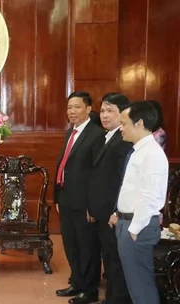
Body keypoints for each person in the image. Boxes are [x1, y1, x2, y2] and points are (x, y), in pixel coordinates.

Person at [109, 101, 168, 304]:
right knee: (134, 284)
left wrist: (133, 229)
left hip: (138, 227)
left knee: (141, 286)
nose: (121, 128)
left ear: (139, 123)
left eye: (124, 123)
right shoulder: (139, 150)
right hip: (128, 223)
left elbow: (149, 196)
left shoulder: (152, 153)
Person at [54, 91, 104, 304]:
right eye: (69, 107)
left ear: (89, 109)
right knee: (71, 244)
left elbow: (97, 174)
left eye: (77, 107)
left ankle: (89, 290)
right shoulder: (71, 132)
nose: (72, 111)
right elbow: (64, 166)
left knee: (88, 247)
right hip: (66, 198)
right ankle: (77, 282)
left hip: (84, 202)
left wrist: (92, 205)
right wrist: (57, 196)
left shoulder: (96, 135)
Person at [88, 93, 132, 304]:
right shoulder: (107, 137)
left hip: (113, 212)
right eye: (103, 111)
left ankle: (117, 299)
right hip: (101, 210)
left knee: (115, 261)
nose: (104, 116)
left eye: (110, 111)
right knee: (109, 257)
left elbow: (123, 181)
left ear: (123, 113)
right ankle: (112, 297)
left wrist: (116, 210)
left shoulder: (123, 140)